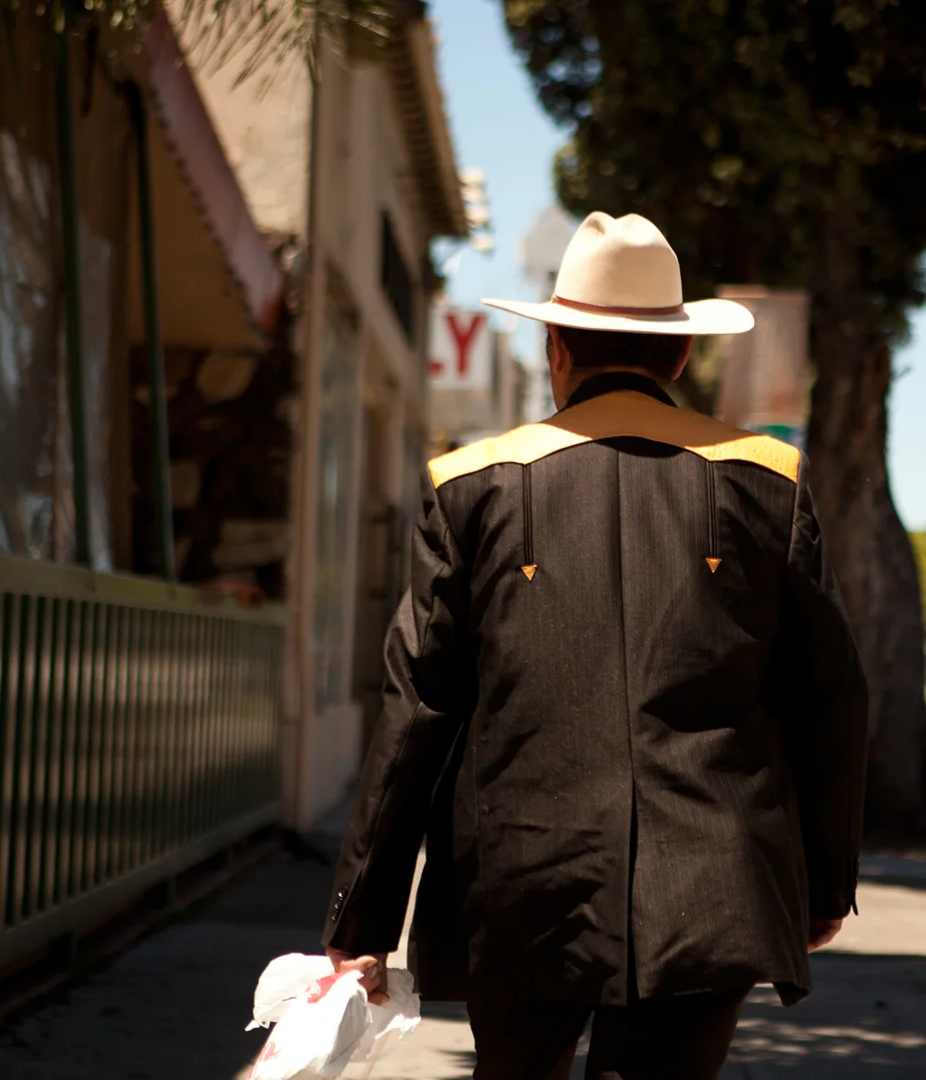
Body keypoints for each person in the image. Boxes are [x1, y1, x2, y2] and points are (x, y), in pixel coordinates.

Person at [320, 211, 868, 1079]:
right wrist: (823, 881)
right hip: (710, 886)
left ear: (556, 349)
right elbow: (829, 698)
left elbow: (418, 707)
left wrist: (362, 920)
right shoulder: (771, 482)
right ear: (680, 354)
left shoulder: (469, 486)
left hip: (516, 885)